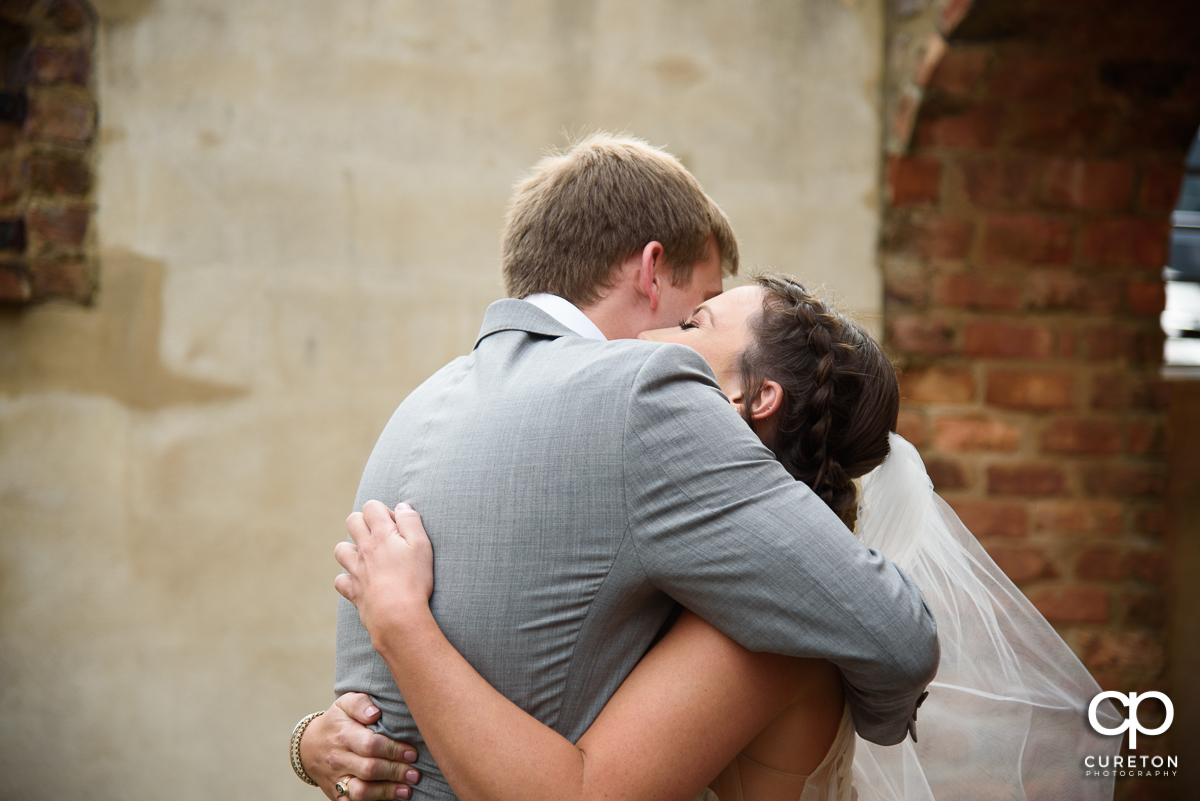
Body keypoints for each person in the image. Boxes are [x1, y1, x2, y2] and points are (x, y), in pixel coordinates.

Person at [293, 134, 939, 800]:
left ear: (757, 399)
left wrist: (379, 654)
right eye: (692, 310)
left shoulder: (421, 402)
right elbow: (898, 637)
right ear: (651, 269)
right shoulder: (644, 394)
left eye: (697, 324)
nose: (675, 343)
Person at [334, 276, 1123, 801]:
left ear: (753, 396)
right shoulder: (696, 574)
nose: (651, 336)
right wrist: (318, 742)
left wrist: (403, 622)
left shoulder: (768, 627)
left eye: (691, 323)